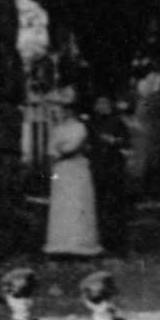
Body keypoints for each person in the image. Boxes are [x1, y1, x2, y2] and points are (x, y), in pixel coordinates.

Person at [43, 103, 106, 263]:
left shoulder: (79, 128)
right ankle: (60, 245)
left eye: (61, 112)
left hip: (76, 170)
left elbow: (71, 147)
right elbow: (50, 149)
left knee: (77, 204)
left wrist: (60, 149)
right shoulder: (57, 129)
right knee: (62, 205)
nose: (58, 115)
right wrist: (57, 150)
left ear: (69, 112)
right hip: (61, 170)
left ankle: (79, 245)